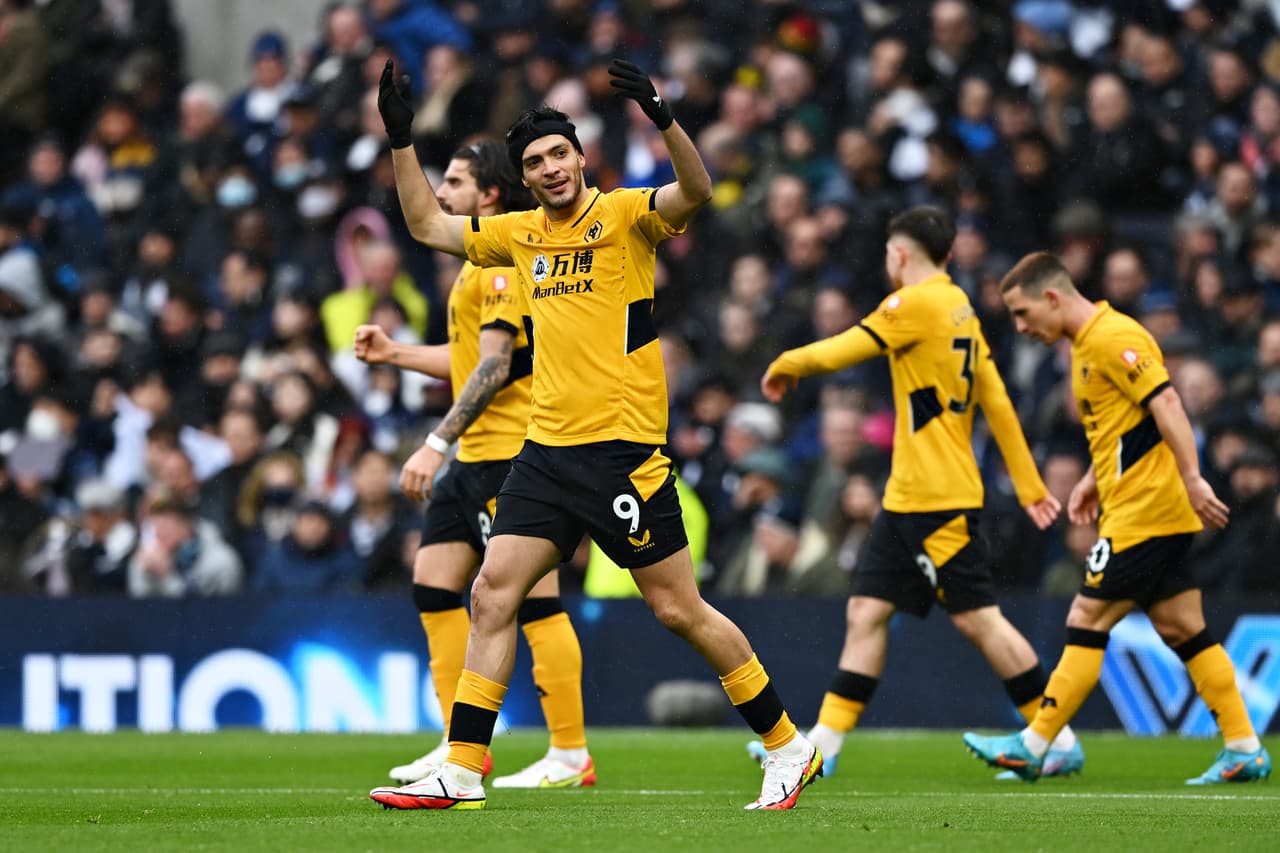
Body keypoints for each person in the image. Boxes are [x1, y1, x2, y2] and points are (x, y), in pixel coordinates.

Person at [368, 58, 820, 811]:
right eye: (534, 162)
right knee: (491, 592)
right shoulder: (517, 237)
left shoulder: (626, 215)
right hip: (544, 453)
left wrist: (665, 118)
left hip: (622, 454)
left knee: (680, 610)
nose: (548, 169)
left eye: (557, 154)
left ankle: (786, 743)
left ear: (581, 156)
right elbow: (423, 223)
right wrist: (401, 138)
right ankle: (464, 763)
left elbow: (699, 191)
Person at [756, 206, 1081, 780]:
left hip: (939, 498)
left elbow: (842, 350)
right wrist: (1029, 484)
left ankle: (1056, 737)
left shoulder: (914, 304)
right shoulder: (960, 308)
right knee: (866, 612)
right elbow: (997, 399)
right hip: (906, 498)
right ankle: (823, 746)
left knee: (979, 619)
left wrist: (785, 362)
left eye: (888, 252)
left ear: (899, 254)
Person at [964, 252, 1272, 785]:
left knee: (1086, 619)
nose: (1019, 326)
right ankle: (1244, 746)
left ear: (1053, 297)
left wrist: (1194, 476)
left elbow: (1168, 403)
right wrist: (1089, 481)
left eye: (1021, 312)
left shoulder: (1112, 337)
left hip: (1146, 511)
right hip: (1140, 506)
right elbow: (1125, 430)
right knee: (1184, 630)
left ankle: (1035, 743)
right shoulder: (1086, 347)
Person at [354, 140, 594, 790]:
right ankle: (461, 741)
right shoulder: (473, 268)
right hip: (476, 456)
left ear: (489, 195)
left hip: (513, 455)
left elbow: (493, 367)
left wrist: (434, 440)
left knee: (535, 602)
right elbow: (470, 357)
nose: (442, 193)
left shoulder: (498, 267)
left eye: (454, 182)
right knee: (434, 584)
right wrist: (396, 353)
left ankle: (571, 751)